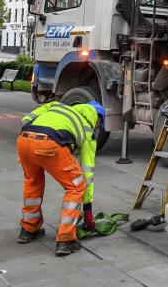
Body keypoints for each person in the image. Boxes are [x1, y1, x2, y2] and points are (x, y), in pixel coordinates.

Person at [16, 100, 104, 255]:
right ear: (98, 119)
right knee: (76, 187)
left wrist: (31, 133)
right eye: (99, 125)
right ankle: (66, 240)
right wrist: (88, 209)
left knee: (33, 182)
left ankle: (28, 230)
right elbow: (87, 173)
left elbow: (27, 118)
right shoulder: (87, 131)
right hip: (51, 144)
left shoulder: (58, 106)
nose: (97, 128)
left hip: (24, 140)